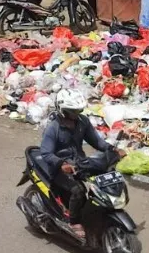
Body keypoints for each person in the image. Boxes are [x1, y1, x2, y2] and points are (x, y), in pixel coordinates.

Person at [40, 89, 126, 238]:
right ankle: (73, 221)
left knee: (104, 178)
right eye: (72, 111)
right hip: (60, 168)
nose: (75, 114)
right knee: (78, 191)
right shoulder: (53, 127)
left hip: (80, 163)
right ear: (62, 110)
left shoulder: (82, 122)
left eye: (78, 111)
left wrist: (113, 149)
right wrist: (61, 164)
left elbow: (97, 141)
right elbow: (46, 153)